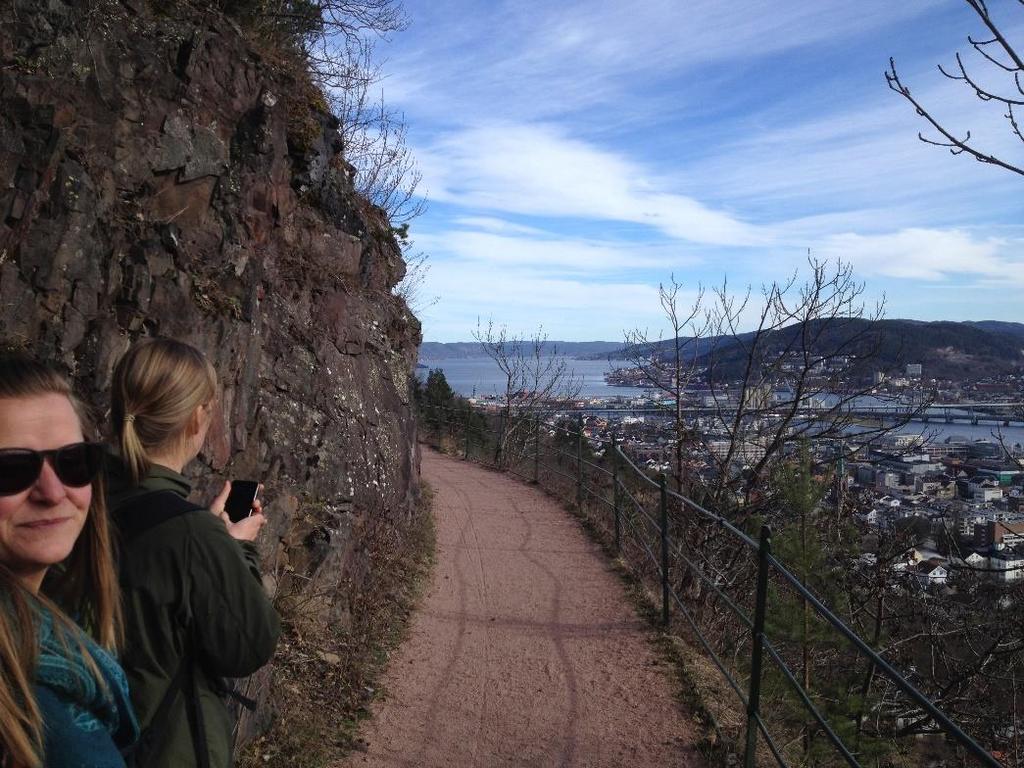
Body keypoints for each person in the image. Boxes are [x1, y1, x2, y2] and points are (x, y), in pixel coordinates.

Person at [105, 338, 280, 768]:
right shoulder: (191, 535)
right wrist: (235, 550)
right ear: (196, 418)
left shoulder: (73, 501)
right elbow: (249, 644)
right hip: (163, 749)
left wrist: (210, 540)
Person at [0, 352, 138, 767]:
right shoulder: (32, 700)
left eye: (73, 463)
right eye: (10, 470)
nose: (53, 492)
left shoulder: (57, 639)